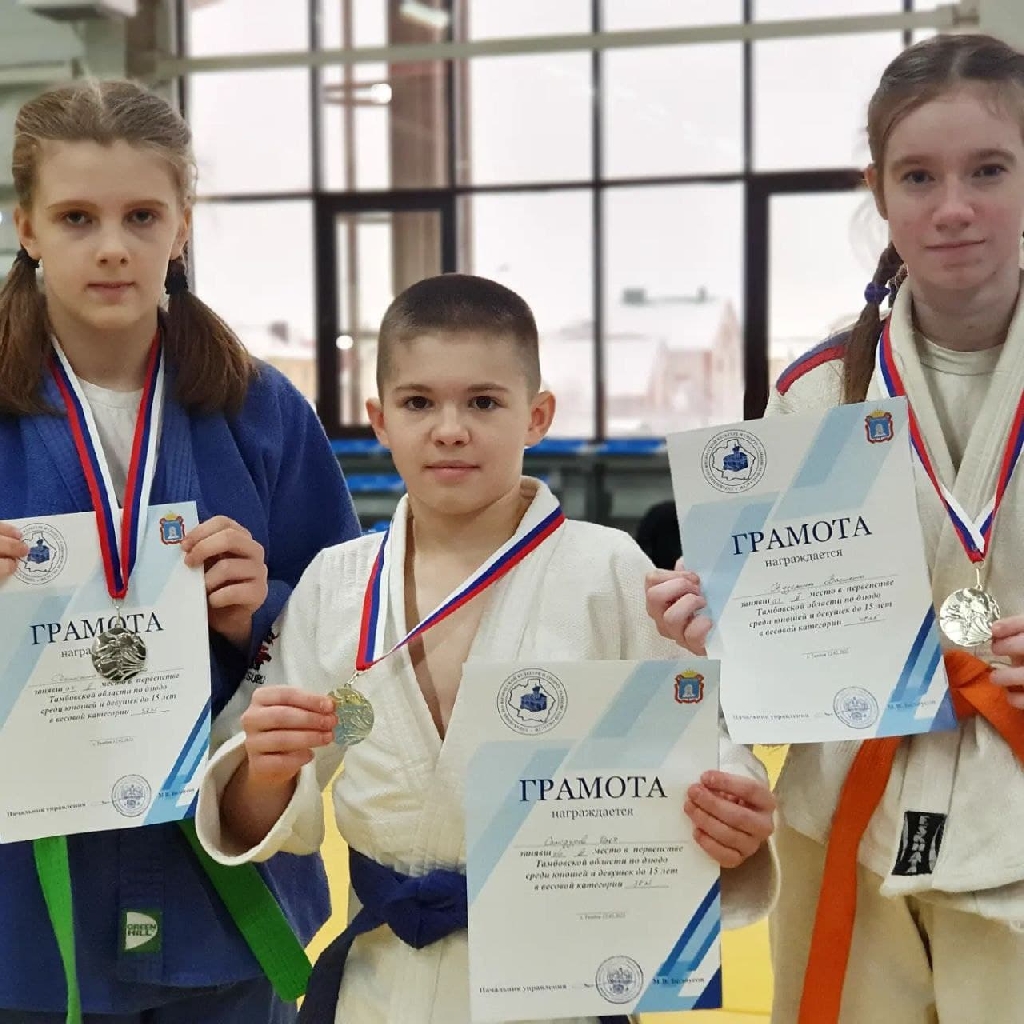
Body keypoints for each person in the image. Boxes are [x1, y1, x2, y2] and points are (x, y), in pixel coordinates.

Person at [195, 274, 779, 1024]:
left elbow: (699, 750)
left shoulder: (609, 571)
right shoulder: (336, 584)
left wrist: (732, 810)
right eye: (418, 403)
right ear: (379, 419)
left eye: (483, 402)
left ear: (537, 416)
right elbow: (259, 808)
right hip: (383, 986)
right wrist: (267, 768)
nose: (450, 429)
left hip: (562, 982)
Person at [646, 32, 1024, 1024]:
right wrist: (712, 621)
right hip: (845, 817)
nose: (952, 206)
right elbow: (763, 634)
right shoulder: (817, 394)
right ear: (879, 192)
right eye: (918, 176)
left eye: (989, 170)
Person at [0, 79, 360, 1022]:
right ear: (27, 227)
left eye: (142, 215)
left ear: (182, 226)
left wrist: (261, 610)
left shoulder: (260, 409)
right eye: (76, 217)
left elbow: (358, 659)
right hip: (23, 910)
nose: (112, 246)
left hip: (218, 898)